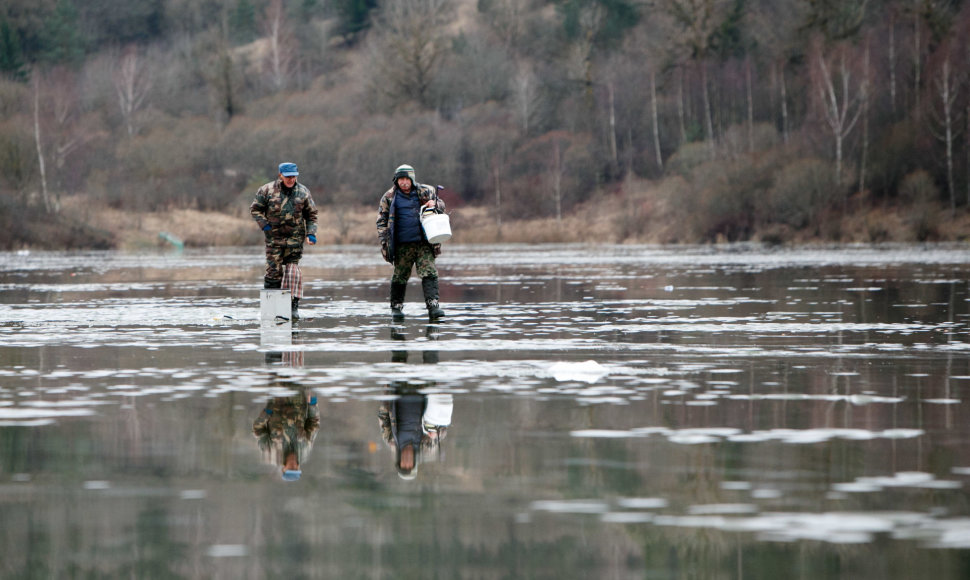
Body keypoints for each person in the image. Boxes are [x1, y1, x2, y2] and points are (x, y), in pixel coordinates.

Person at [376, 164, 446, 320]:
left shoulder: (426, 191)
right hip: (401, 245)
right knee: (400, 276)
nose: (404, 182)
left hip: (424, 243)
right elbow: (381, 220)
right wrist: (384, 241)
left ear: (412, 179)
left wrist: (434, 205)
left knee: (429, 273)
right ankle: (396, 308)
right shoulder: (389, 197)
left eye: (406, 179)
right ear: (396, 180)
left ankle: (433, 306)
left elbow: (442, 205)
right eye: (400, 179)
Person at [251, 162, 318, 320]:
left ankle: (293, 308)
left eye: (293, 176)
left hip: (295, 241)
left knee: (292, 273)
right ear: (280, 175)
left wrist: (311, 234)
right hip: (274, 240)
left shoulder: (303, 192)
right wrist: (265, 225)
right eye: (288, 177)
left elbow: (312, 215)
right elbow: (255, 209)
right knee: (273, 274)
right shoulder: (266, 190)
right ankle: (270, 309)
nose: (291, 179)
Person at [253, 386, 320, 482]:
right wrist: (312, 404)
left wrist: (266, 413)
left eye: (290, 469)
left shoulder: (270, 452)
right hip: (298, 400)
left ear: (283, 469)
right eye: (296, 469)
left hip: (276, 400)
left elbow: (258, 429)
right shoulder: (305, 450)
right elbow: (313, 424)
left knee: (277, 373)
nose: (293, 466)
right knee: (296, 374)